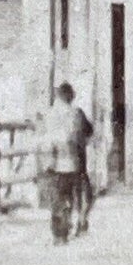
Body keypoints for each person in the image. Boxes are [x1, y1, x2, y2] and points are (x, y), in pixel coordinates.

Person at [41, 82, 92, 244]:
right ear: (71, 96)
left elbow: (46, 139)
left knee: (58, 198)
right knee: (73, 195)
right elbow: (89, 132)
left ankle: (60, 235)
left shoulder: (50, 114)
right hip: (75, 162)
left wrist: (47, 161)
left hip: (55, 163)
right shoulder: (76, 113)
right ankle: (75, 225)